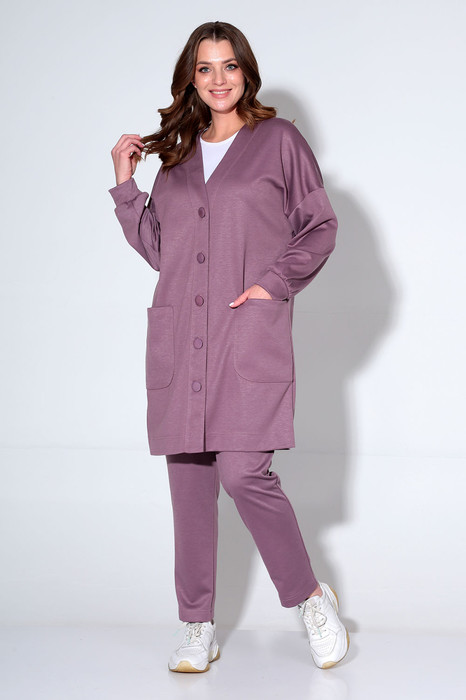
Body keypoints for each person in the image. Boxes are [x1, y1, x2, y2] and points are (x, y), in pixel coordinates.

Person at [109, 20, 349, 673]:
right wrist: (127, 188)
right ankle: (197, 625)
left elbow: (320, 226)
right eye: (205, 68)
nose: (218, 79)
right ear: (191, 78)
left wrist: (274, 283)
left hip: (245, 337)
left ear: (247, 71)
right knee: (189, 485)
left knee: (245, 474)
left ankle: (308, 598)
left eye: (229, 65)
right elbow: (164, 250)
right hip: (182, 341)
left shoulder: (279, 142)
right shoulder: (178, 157)